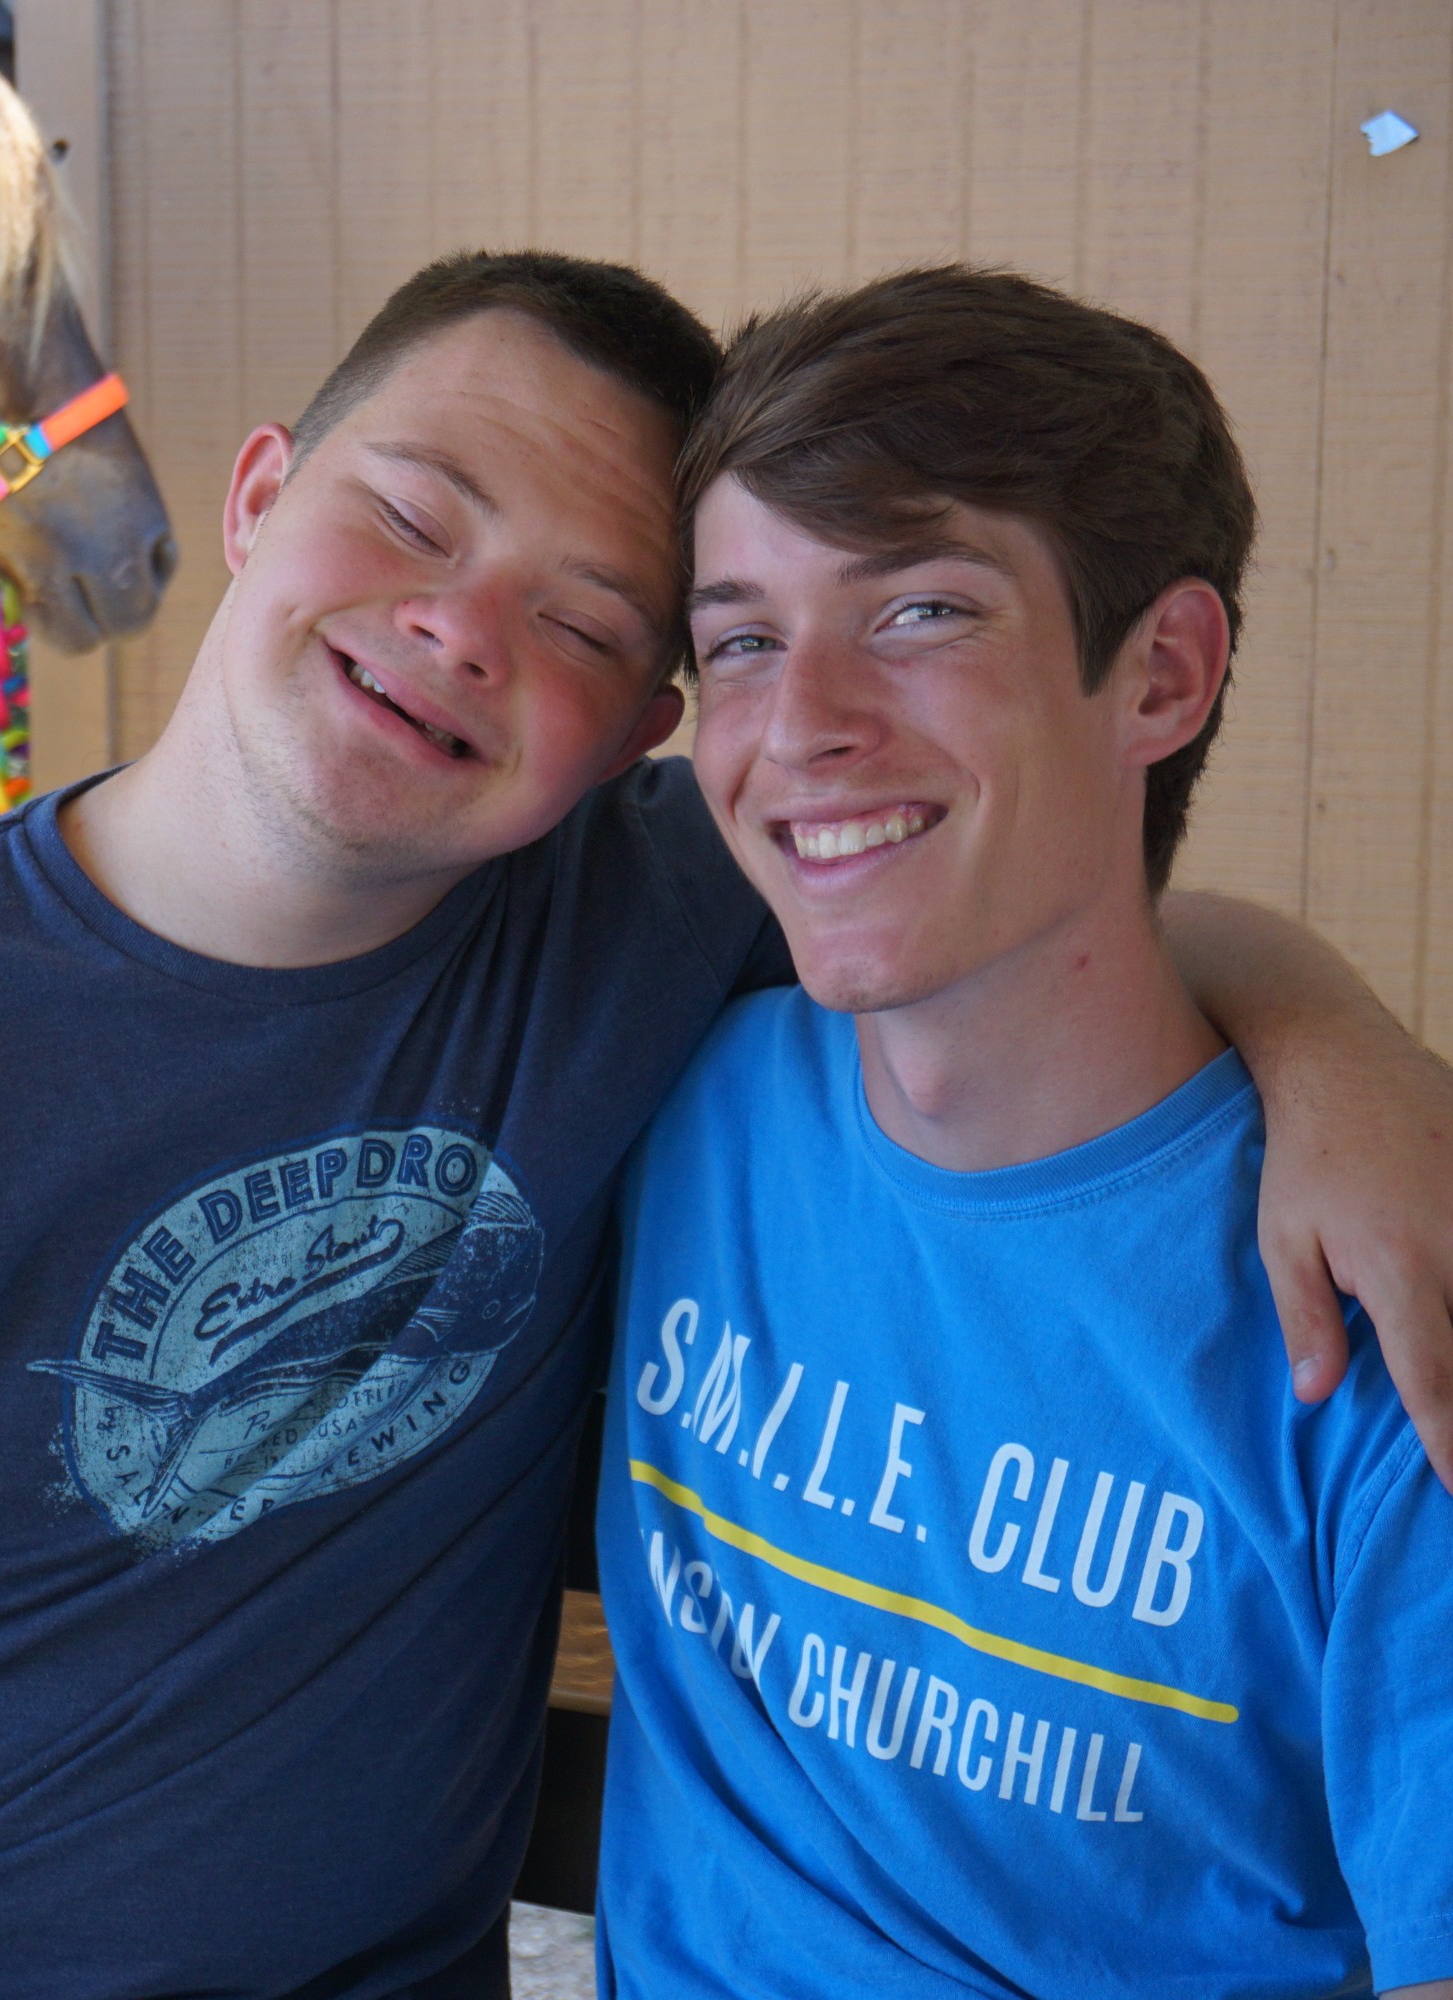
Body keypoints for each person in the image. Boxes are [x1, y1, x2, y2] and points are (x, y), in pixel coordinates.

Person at [0, 249, 1453, 1999]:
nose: (463, 629)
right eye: (409, 519)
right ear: (257, 497)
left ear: (640, 739)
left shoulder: (637, 937)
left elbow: (1007, 920)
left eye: (597, 625)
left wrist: (1344, 1049)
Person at [596, 267, 1453, 1997]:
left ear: (1165, 674)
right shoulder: (677, 1096)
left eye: (920, 611)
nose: (805, 723)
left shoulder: (1389, 1329)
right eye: (744, 639)